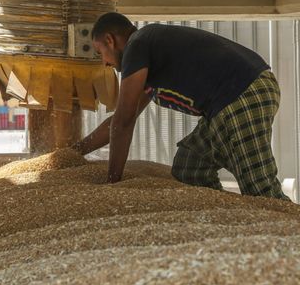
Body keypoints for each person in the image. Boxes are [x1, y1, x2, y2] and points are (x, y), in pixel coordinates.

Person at [72, 12, 290, 201]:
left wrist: (112, 182)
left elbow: (123, 121)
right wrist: (75, 152)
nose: (105, 63)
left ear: (110, 40)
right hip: (227, 103)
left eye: (100, 53)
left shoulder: (137, 45)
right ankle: (225, 215)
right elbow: (119, 120)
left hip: (242, 93)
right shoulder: (149, 55)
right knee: (190, 168)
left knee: (261, 191)